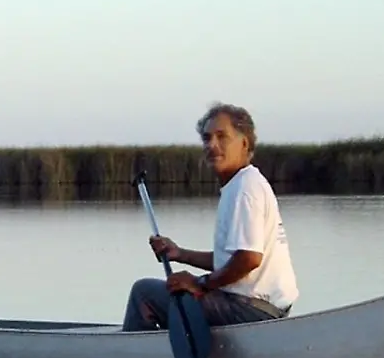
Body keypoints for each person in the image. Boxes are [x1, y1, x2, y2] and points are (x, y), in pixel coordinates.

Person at [122, 103, 298, 331]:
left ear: (244, 143)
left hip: (251, 309)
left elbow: (249, 259)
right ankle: (170, 343)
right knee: (171, 293)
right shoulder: (243, 183)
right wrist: (180, 254)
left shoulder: (245, 188)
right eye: (207, 138)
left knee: (143, 293)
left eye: (222, 136)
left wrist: (200, 283)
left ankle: (138, 350)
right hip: (261, 306)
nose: (212, 145)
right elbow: (232, 260)